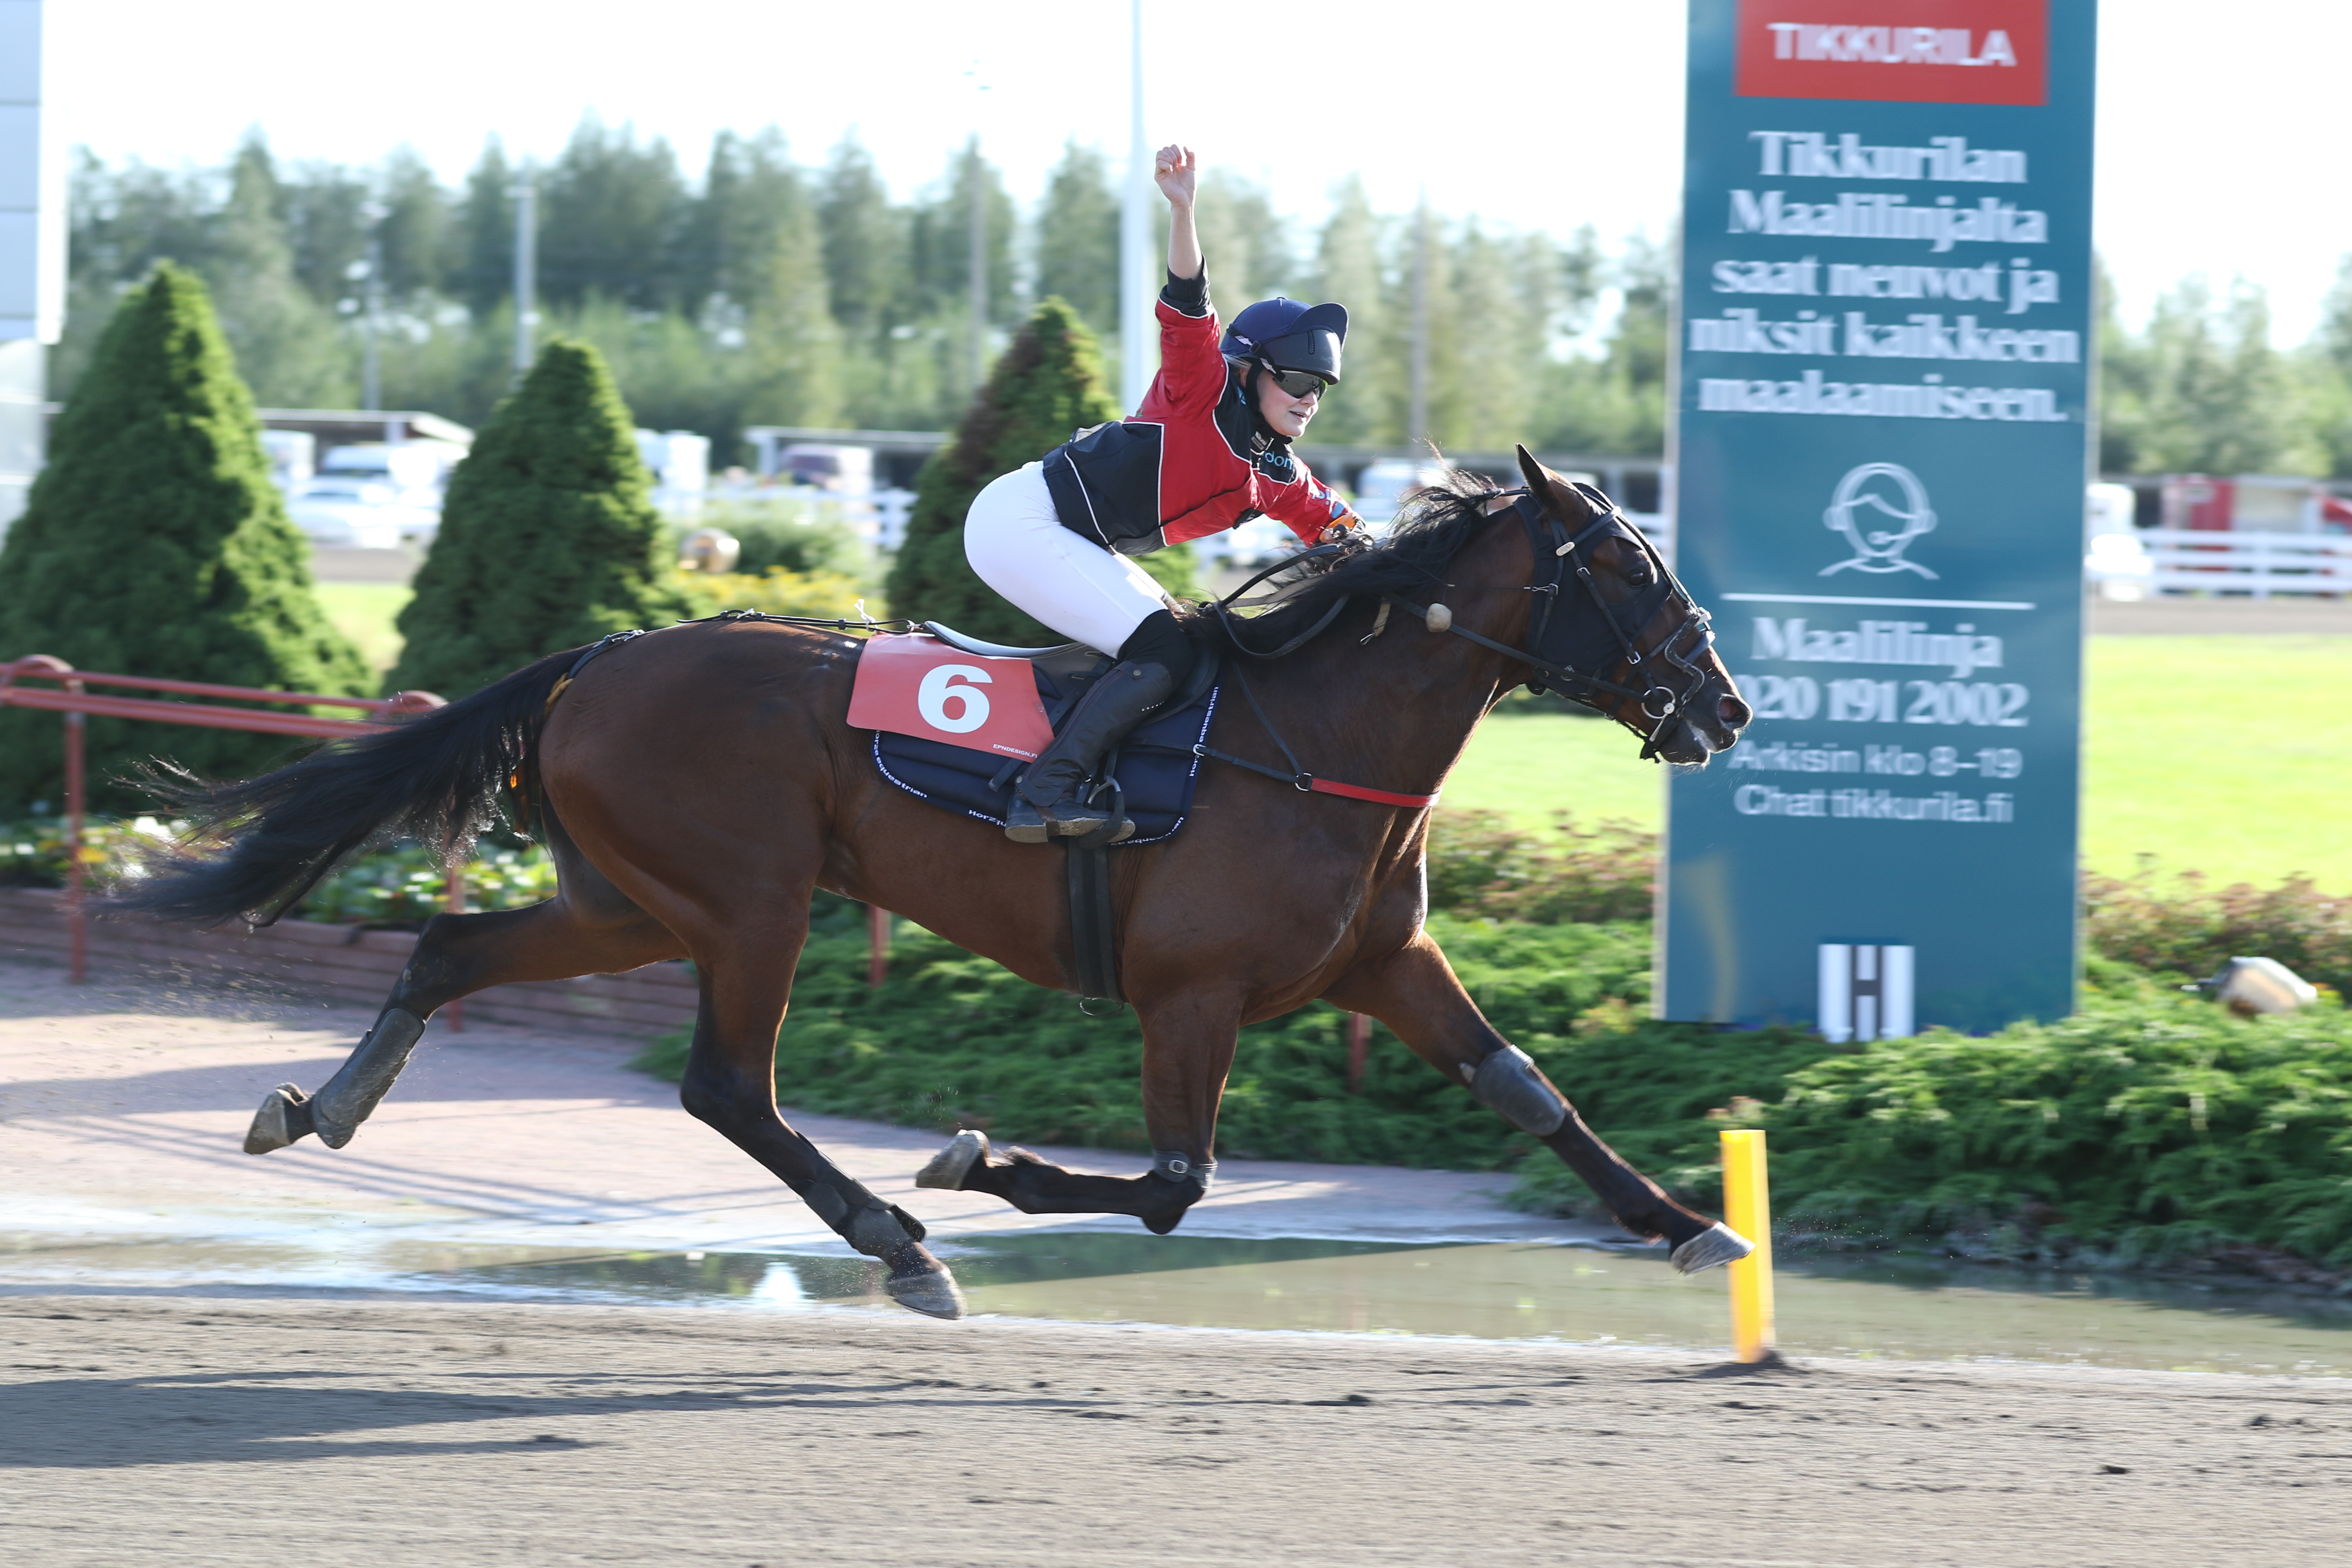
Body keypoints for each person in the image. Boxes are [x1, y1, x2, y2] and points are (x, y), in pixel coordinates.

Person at [964, 144, 1361, 843]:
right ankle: (1047, 791)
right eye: (1298, 381)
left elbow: (1345, 534)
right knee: (1169, 652)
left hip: (1064, 538)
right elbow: (1188, 309)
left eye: (1319, 389)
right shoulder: (1200, 389)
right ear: (1249, 372)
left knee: (1190, 646)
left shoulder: (1277, 476)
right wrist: (1184, 210)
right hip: (1018, 523)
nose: (1309, 401)